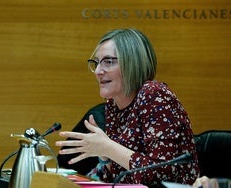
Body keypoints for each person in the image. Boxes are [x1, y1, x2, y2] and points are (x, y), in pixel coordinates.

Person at [55, 28, 200, 188]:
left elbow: (160, 172)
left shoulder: (154, 94)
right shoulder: (113, 103)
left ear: (132, 63)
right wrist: (104, 158)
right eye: (96, 63)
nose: (97, 71)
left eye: (108, 62)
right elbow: (119, 177)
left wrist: (108, 147)